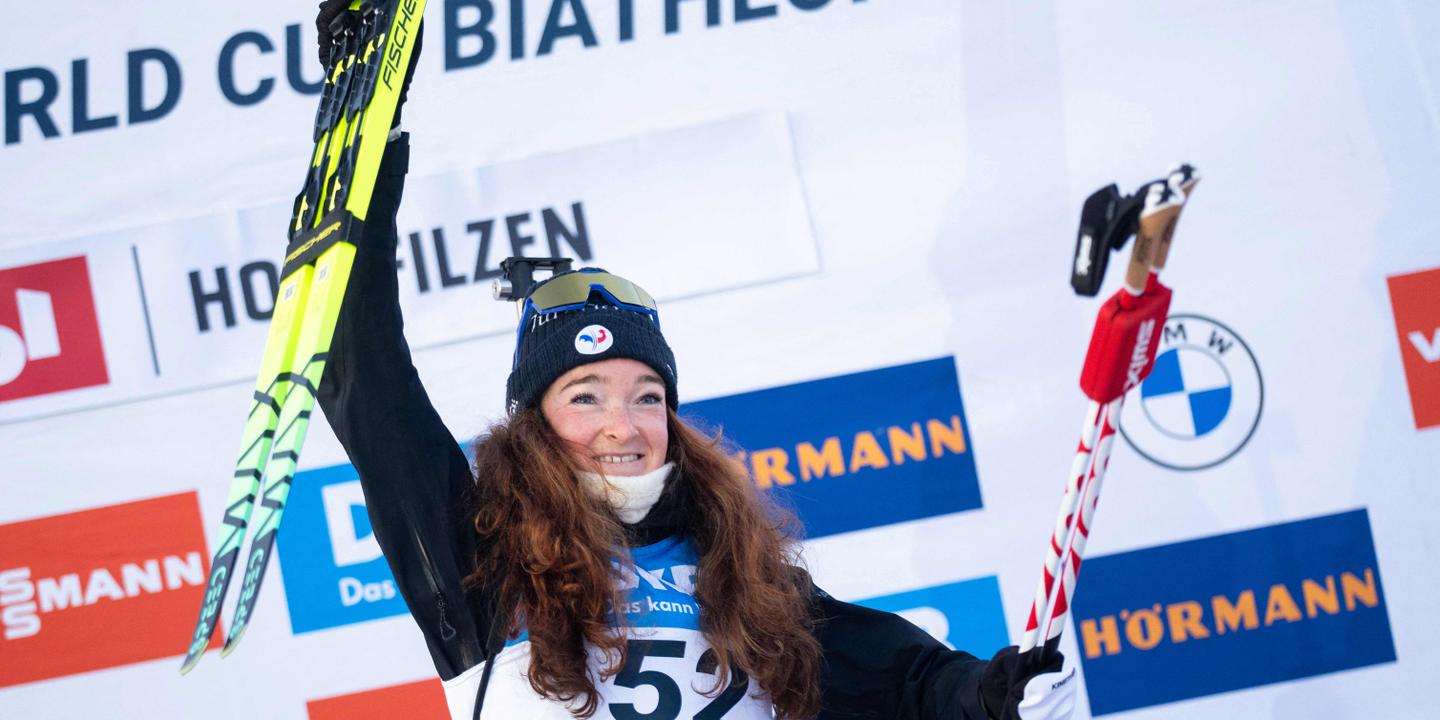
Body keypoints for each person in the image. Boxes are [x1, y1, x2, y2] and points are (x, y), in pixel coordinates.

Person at [312, 2, 1077, 718]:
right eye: (584, 397)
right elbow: (361, 368)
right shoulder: (482, 554)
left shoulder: (735, 569)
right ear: (532, 424)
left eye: (647, 396)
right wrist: (360, 134)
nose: (625, 424)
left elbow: (909, 681)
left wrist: (994, 695)